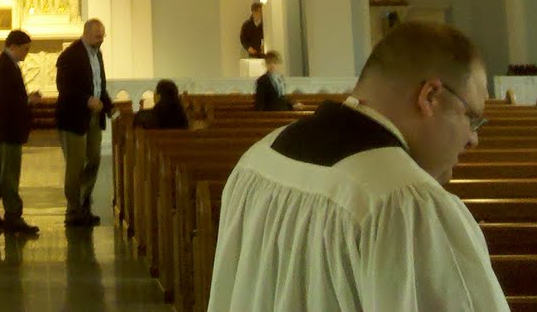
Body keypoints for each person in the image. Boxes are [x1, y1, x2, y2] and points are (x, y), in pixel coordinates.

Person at [208, 21, 508, 311]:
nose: (473, 138)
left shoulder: (258, 158)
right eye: (471, 117)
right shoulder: (405, 202)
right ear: (430, 96)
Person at [0, 29, 41, 234]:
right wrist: (28, 101)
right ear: (13, 46)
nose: (26, 53)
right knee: (9, 173)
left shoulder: (5, 64)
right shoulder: (5, 65)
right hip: (7, 129)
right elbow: (6, 100)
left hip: (3, 127)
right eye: (25, 49)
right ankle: (13, 216)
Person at [55, 18, 109, 227]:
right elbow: (65, 88)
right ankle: (73, 210)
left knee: (94, 159)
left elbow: (99, 86)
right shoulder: (70, 56)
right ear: (86, 33)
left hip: (94, 116)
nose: (101, 40)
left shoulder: (98, 54)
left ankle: (84, 202)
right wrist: (87, 100)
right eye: (98, 36)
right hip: (73, 117)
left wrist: (110, 107)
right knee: (75, 165)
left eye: (103, 36)